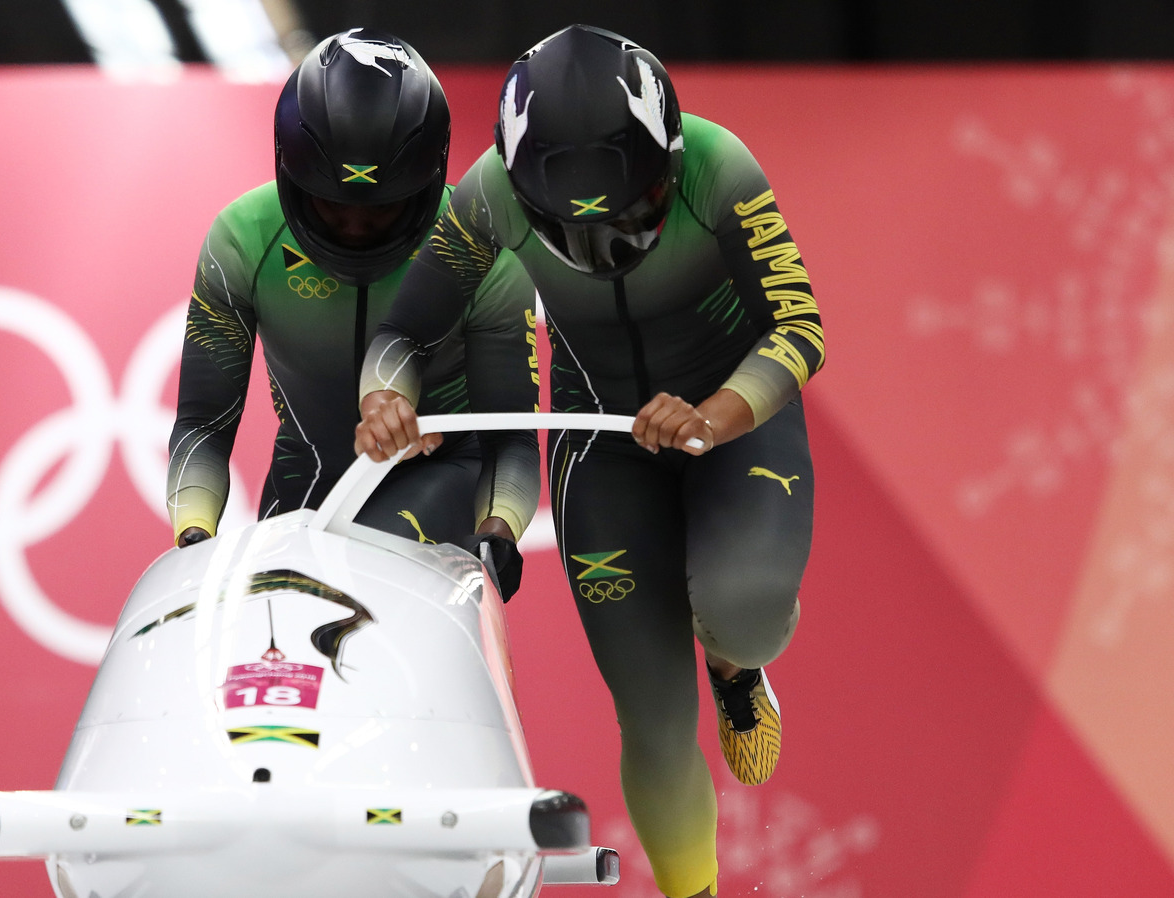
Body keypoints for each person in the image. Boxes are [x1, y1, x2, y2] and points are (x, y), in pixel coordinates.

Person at [355, 25, 823, 898]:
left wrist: (714, 417)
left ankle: (735, 662)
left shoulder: (721, 167)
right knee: (651, 718)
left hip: (729, 419)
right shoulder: (487, 193)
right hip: (601, 436)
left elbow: (799, 330)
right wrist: (385, 395)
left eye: (635, 214)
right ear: (523, 190)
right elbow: (402, 332)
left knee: (743, 608)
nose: (604, 244)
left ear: (670, 164)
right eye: (568, 227)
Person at [166, 27, 540, 592]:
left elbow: (510, 438)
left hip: (441, 473)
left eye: (381, 211)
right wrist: (195, 538)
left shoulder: (477, 244)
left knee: (359, 572)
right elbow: (203, 425)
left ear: (424, 185)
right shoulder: (242, 240)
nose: (356, 229)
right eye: (332, 206)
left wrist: (498, 532)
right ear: (291, 173)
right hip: (307, 474)